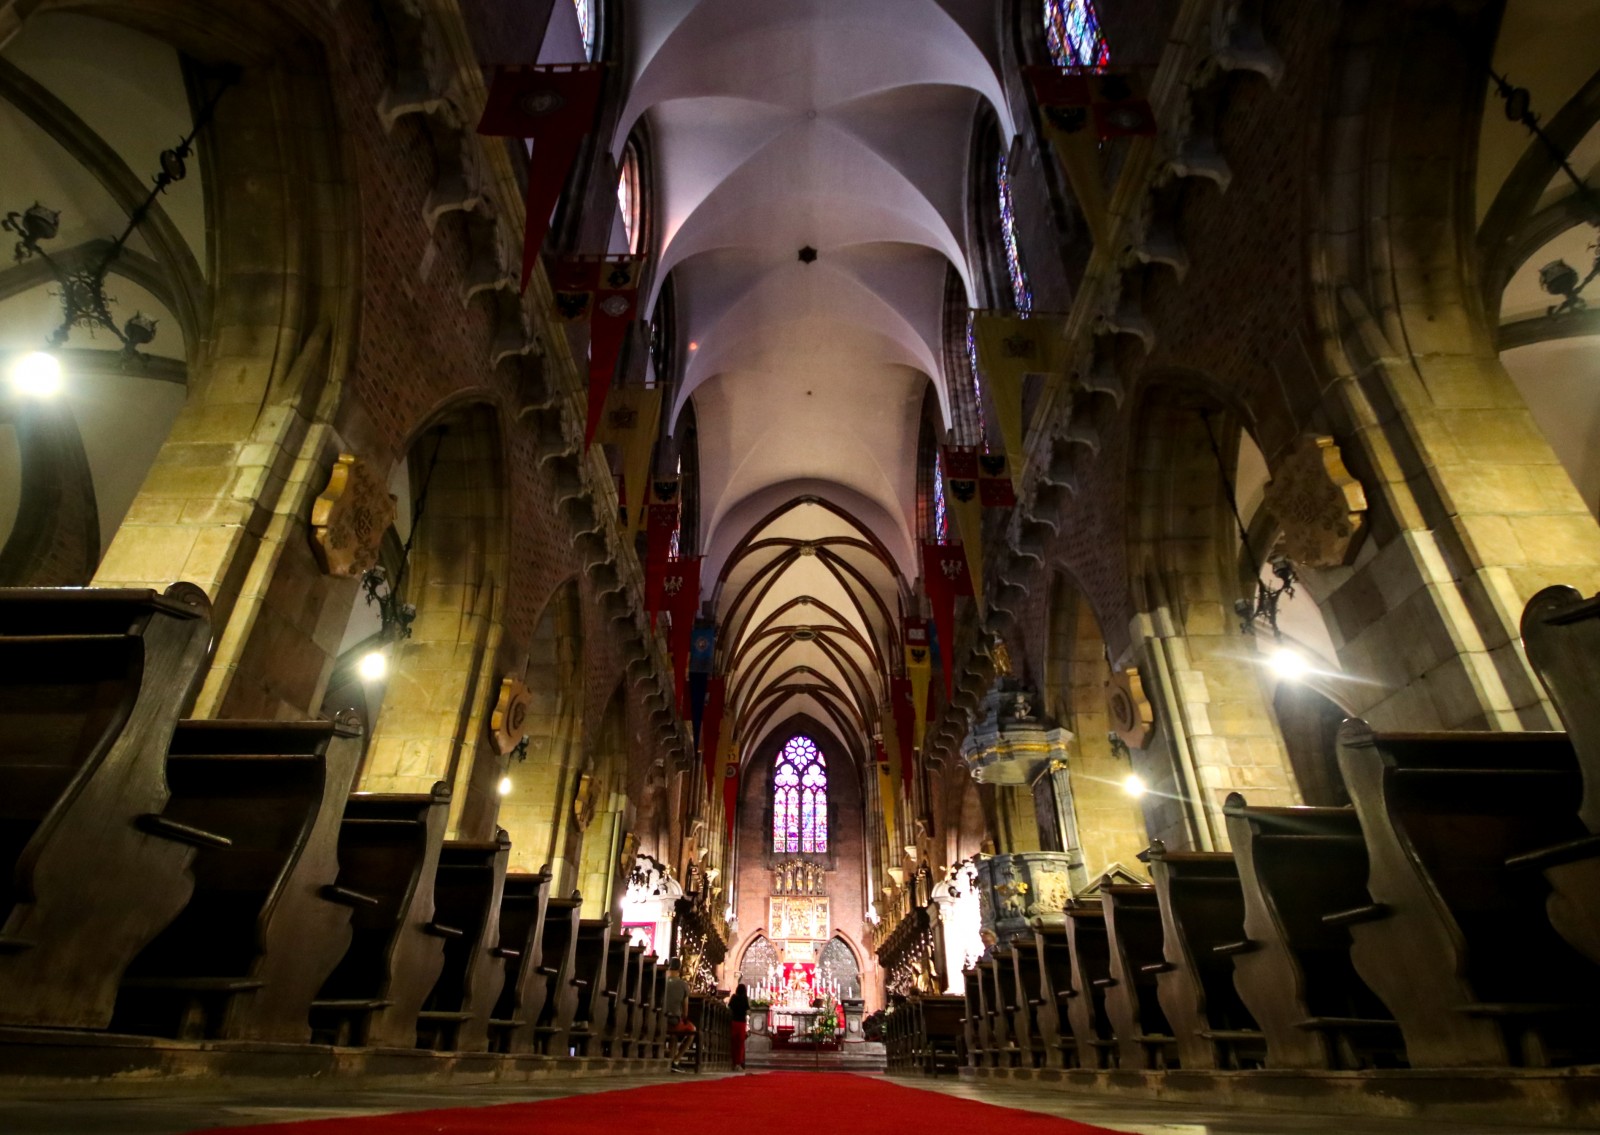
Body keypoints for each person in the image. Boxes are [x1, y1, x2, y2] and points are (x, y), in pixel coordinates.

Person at [662, 959, 696, 1069]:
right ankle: (676, 1060)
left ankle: (669, 1058)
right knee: (692, 1030)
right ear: (679, 969)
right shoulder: (683, 985)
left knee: (673, 1032)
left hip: (658, 1020)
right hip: (673, 1022)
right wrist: (684, 1017)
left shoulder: (661, 981)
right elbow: (685, 1012)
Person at [728, 983, 749, 1070]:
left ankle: (733, 1063)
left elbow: (730, 1007)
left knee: (734, 1043)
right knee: (740, 1044)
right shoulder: (745, 998)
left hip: (734, 1021)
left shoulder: (734, 997)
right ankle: (738, 1063)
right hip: (741, 1022)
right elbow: (747, 1009)